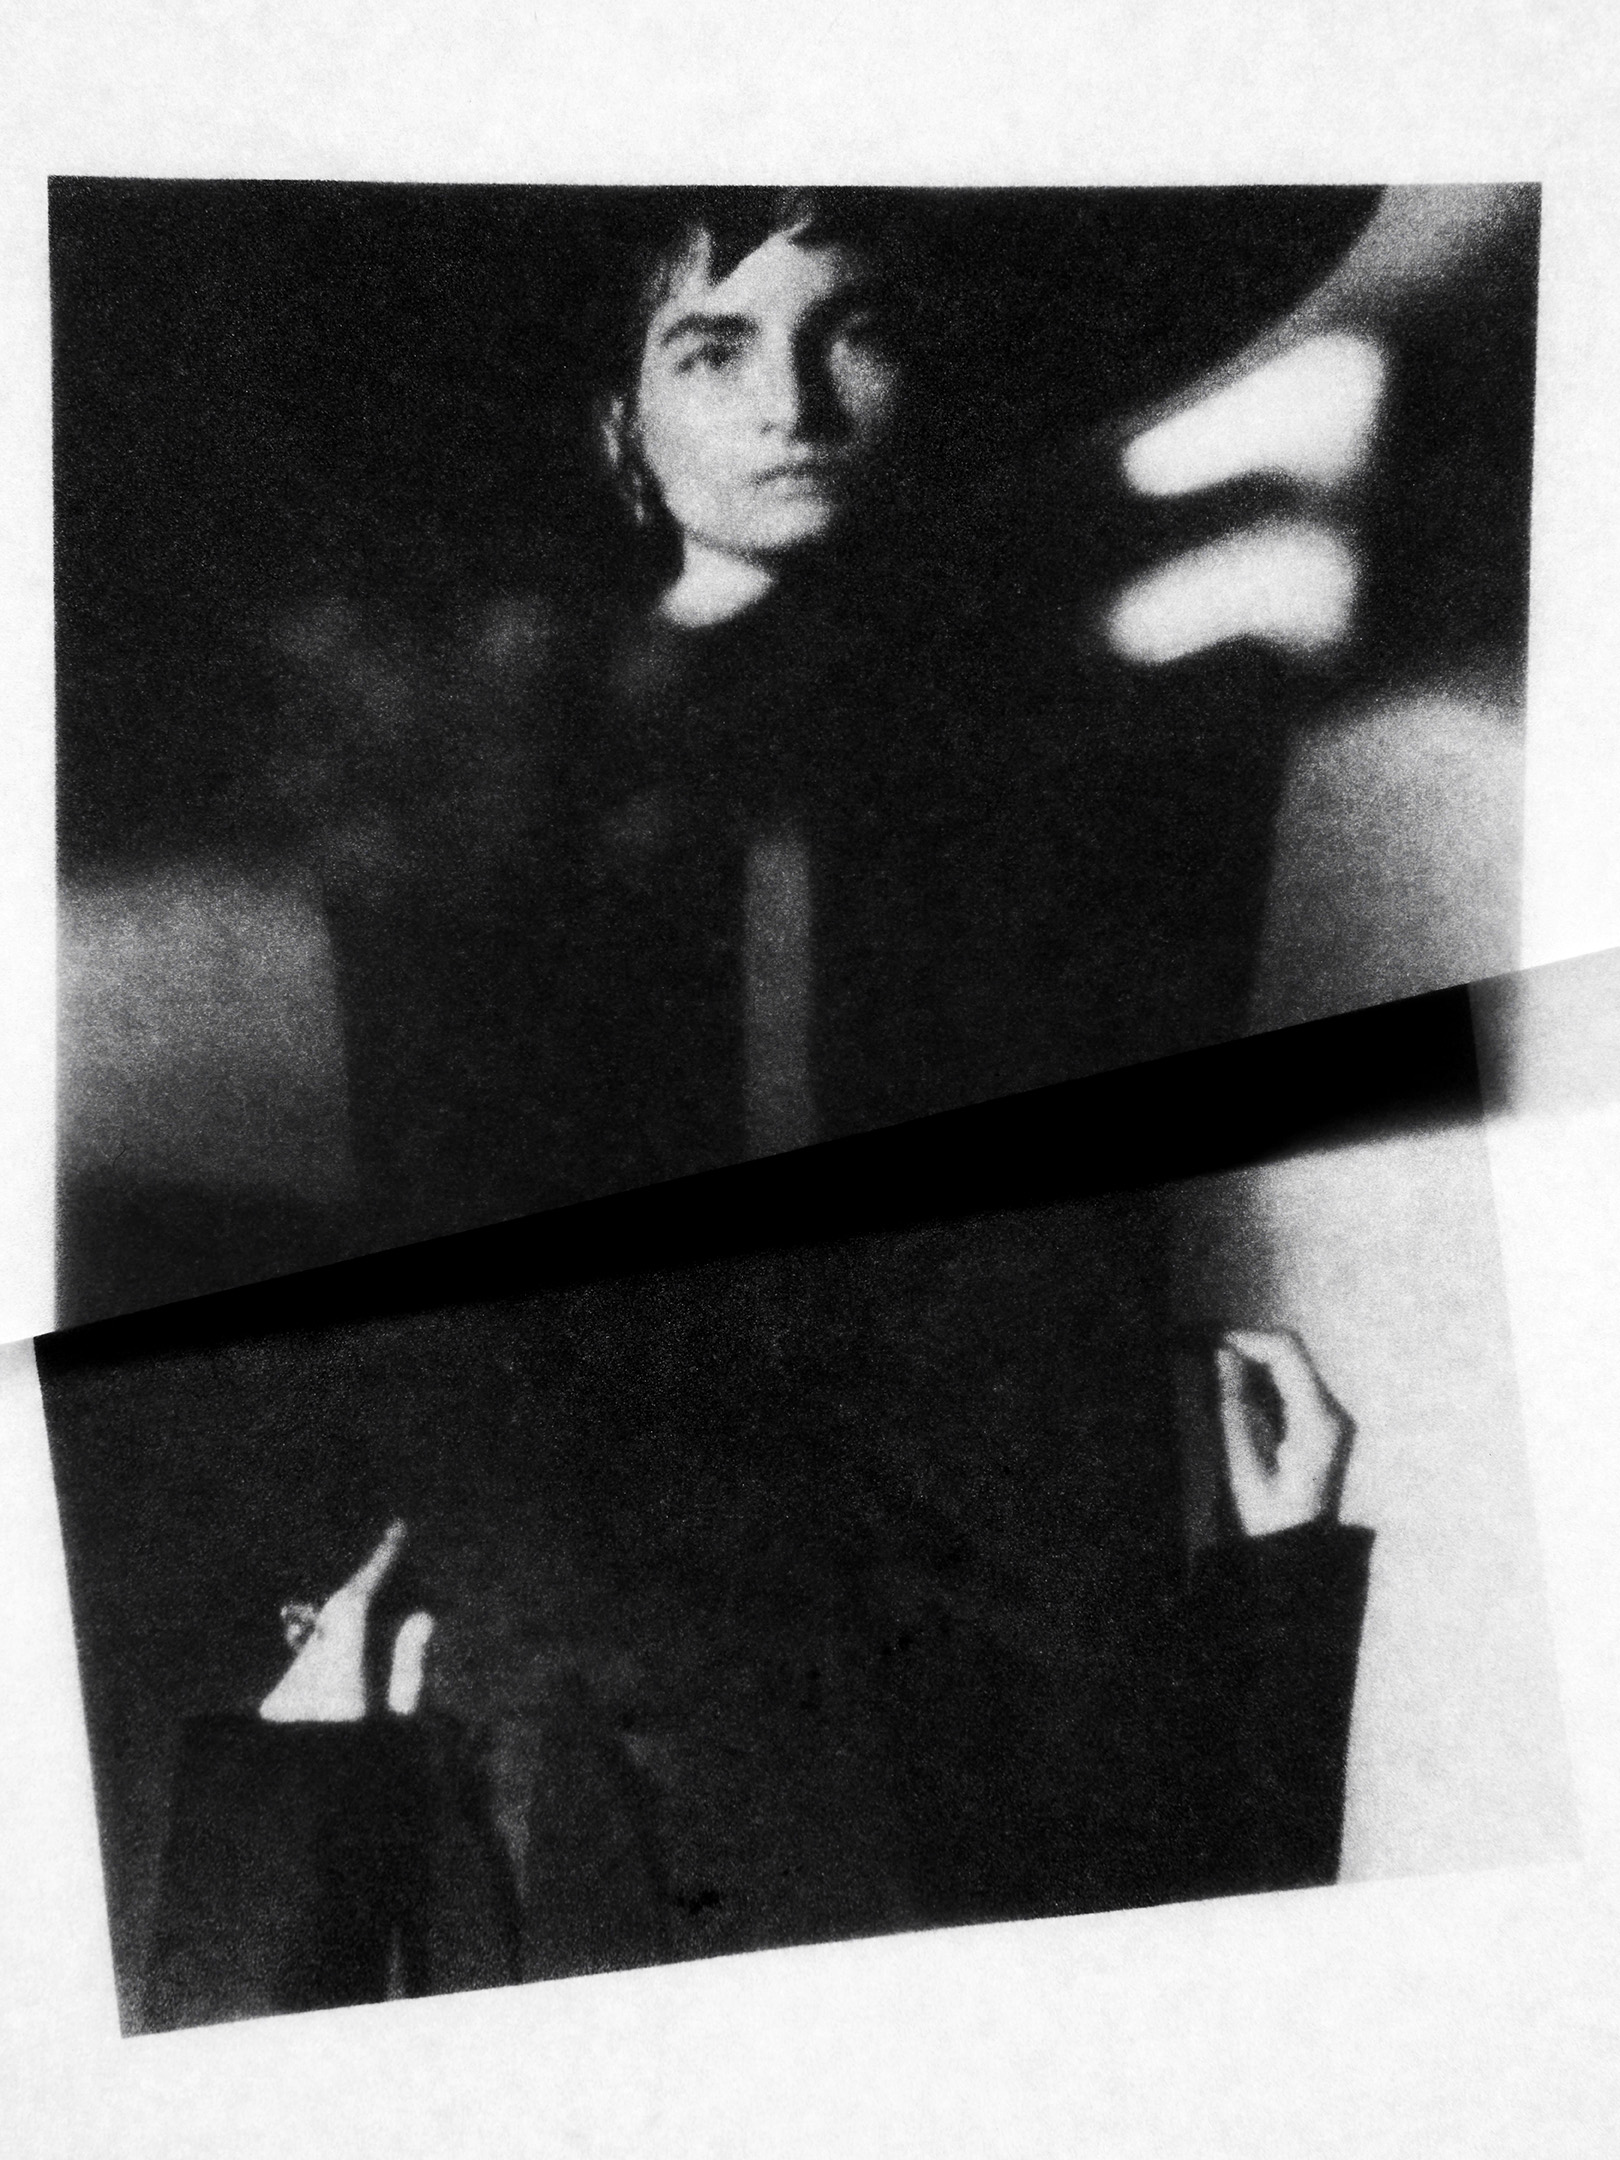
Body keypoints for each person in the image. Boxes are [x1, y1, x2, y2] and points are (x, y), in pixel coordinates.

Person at [256, 187, 1377, 1256]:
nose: (793, 409)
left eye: (857, 334)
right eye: (714, 353)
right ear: (622, 432)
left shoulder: (1047, 757)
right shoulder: (498, 770)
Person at [142, 1327, 1373, 2030]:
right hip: (935, 1631)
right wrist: (1284, 1585)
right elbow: (1232, 2022)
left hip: (526, 1727)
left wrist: (287, 1810)